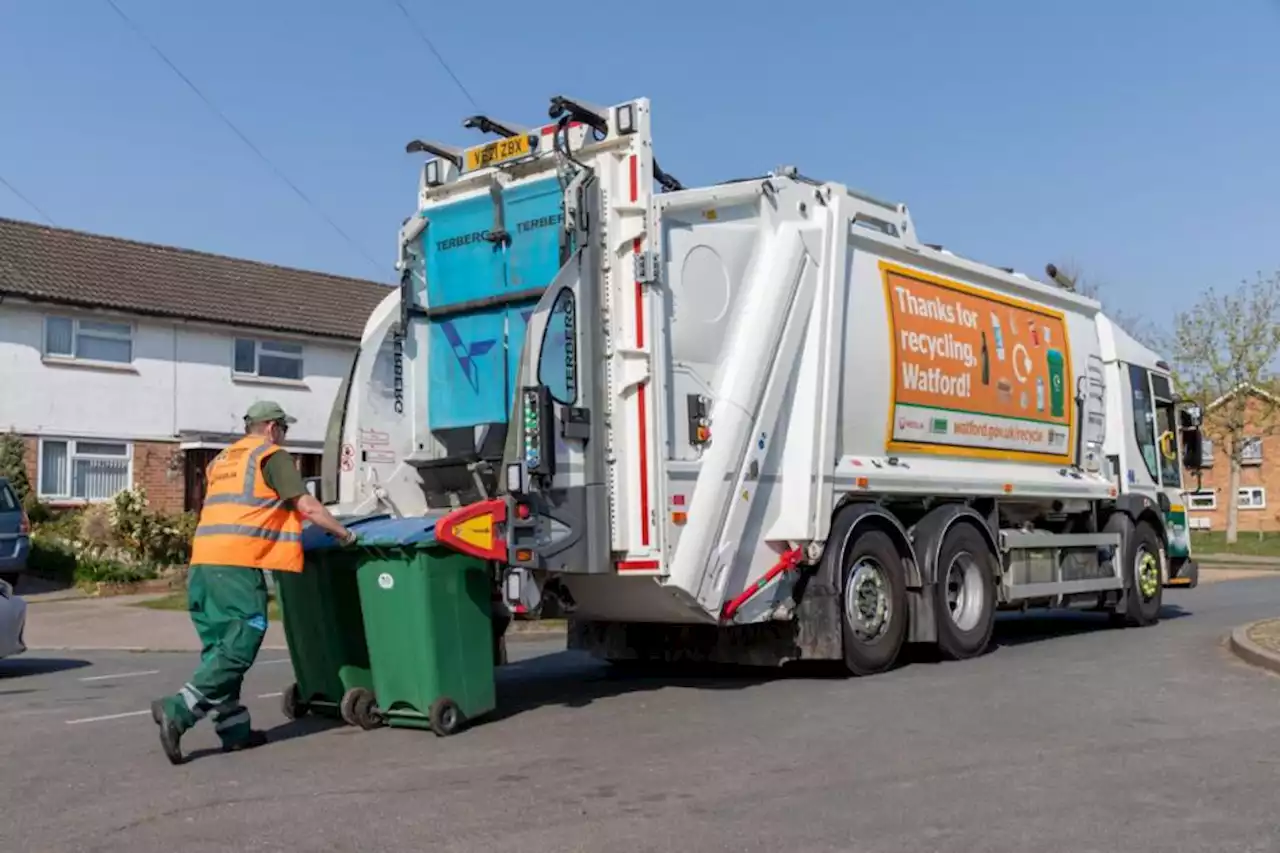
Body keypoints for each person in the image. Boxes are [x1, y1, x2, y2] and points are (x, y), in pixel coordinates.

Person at [151, 401, 357, 764]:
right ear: (273, 428)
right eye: (285, 431)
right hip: (237, 564)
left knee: (220, 649)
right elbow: (305, 506)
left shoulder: (223, 460)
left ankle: (235, 731)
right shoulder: (270, 456)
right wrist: (343, 534)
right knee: (242, 642)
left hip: (203, 563)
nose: (285, 437)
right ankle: (178, 709)